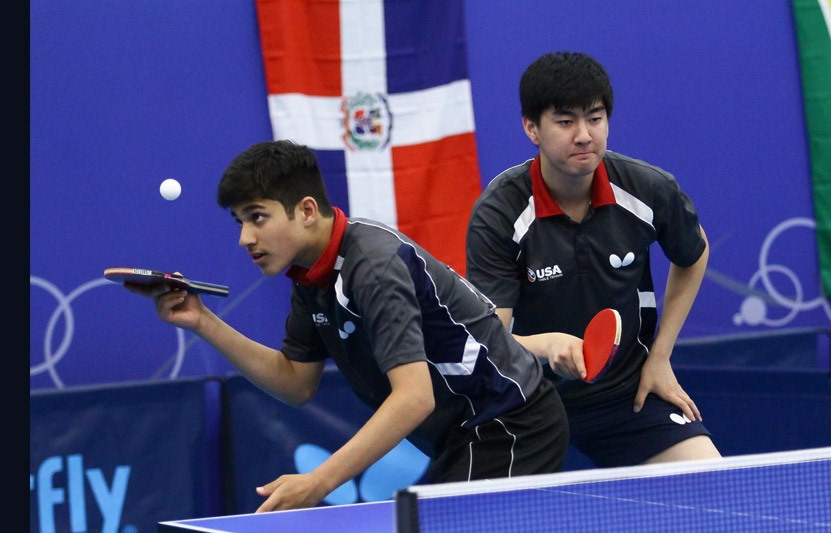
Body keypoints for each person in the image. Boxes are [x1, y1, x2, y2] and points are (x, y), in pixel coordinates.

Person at [127, 140, 569, 512]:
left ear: (304, 210)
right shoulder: (311, 275)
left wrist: (319, 481)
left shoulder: (371, 266)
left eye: (257, 217)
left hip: (511, 424)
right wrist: (202, 320)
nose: (245, 238)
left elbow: (414, 398)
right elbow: (296, 383)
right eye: (240, 222)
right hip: (466, 435)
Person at [465, 51, 722, 467]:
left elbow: (695, 251)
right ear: (532, 128)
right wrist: (546, 346)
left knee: (712, 482)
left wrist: (659, 357)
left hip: (626, 396)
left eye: (595, 118)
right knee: (497, 521)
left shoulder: (646, 188)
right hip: (526, 402)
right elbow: (490, 340)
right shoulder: (500, 213)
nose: (584, 135)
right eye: (565, 122)